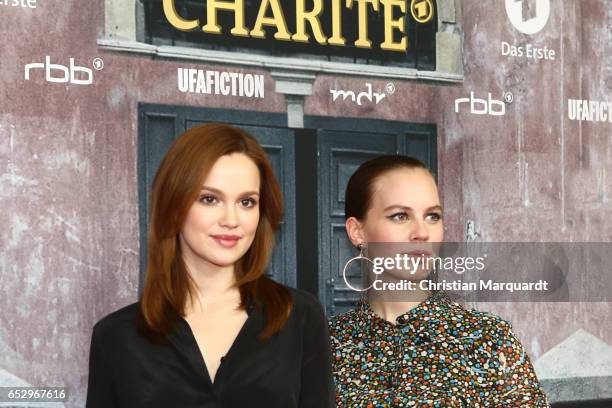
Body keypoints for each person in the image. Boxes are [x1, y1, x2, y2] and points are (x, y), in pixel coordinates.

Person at [86, 123, 334, 408]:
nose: (231, 219)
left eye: (246, 202)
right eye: (209, 199)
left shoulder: (299, 316)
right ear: (174, 205)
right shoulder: (116, 336)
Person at [329, 155, 549, 407]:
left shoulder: (489, 339)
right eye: (400, 216)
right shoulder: (325, 343)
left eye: (432, 216)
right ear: (357, 232)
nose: (422, 233)